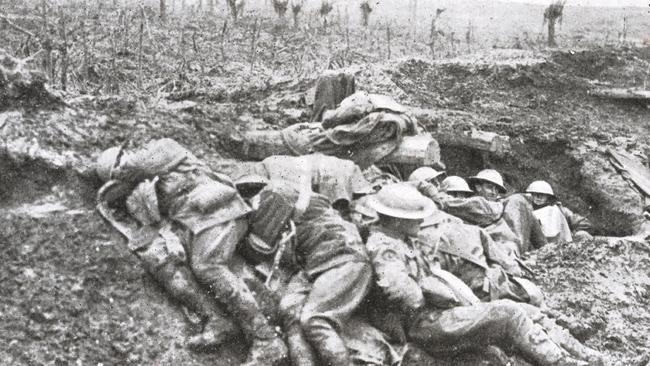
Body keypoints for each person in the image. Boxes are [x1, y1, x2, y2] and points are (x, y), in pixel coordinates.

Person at [95, 139, 287, 365]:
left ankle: (267, 340)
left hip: (220, 212)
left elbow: (132, 168)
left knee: (208, 266)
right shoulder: (144, 186)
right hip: (193, 223)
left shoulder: (162, 148)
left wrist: (116, 177)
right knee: (161, 260)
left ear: (125, 155)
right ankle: (216, 320)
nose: (120, 173)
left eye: (119, 166)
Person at [364, 183, 597, 366]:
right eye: (415, 216)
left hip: (437, 315)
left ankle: (589, 357)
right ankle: (564, 362)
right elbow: (406, 295)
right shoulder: (384, 248)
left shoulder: (400, 240)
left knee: (529, 310)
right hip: (425, 324)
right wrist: (430, 286)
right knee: (508, 312)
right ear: (396, 219)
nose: (422, 220)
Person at [241, 179, 372, 366]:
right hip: (313, 265)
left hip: (344, 259)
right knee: (288, 308)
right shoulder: (282, 197)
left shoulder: (276, 198)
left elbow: (263, 248)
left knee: (314, 319)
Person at [96, 179, 238, 350]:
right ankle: (216, 318)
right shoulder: (138, 194)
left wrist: (170, 238)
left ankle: (249, 330)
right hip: (184, 228)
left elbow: (167, 217)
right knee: (160, 261)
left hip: (205, 225)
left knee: (200, 266)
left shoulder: (158, 182)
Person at [526, 180, 593, 243]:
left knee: (582, 235)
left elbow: (584, 223)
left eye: (542, 194)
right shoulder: (525, 211)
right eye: (536, 194)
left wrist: (570, 233)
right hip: (533, 248)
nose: (539, 197)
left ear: (548, 197)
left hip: (560, 247)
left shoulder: (559, 210)